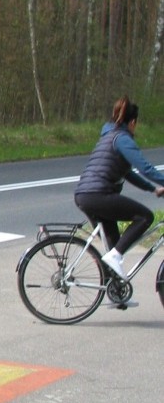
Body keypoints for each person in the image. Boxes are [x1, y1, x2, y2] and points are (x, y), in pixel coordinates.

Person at [74, 96, 164, 279]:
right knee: (145, 217)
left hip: (85, 195)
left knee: (114, 244)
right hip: (99, 195)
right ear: (132, 122)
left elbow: (127, 173)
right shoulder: (122, 139)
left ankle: (115, 291)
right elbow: (145, 168)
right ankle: (114, 257)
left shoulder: (108, 136)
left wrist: (153, 189)